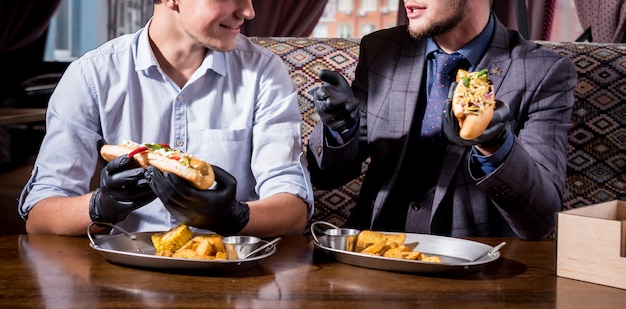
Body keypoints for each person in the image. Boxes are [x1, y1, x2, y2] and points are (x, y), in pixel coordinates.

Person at [18, 0, 313, 238]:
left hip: (233, 276)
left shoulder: (264, 72)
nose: (248, 11)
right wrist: (100, 206)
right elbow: (40, 216)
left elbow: (294, 212)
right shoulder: (91, 75)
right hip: (123, 277)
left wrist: (234, 216)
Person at [307, 0, 577, 240]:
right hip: (375, 253)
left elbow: (540, 221)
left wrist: (496, 146)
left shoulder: (543, 71)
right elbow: (327, 177)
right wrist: (340, 128)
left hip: (476, 269)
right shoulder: (380, 50)